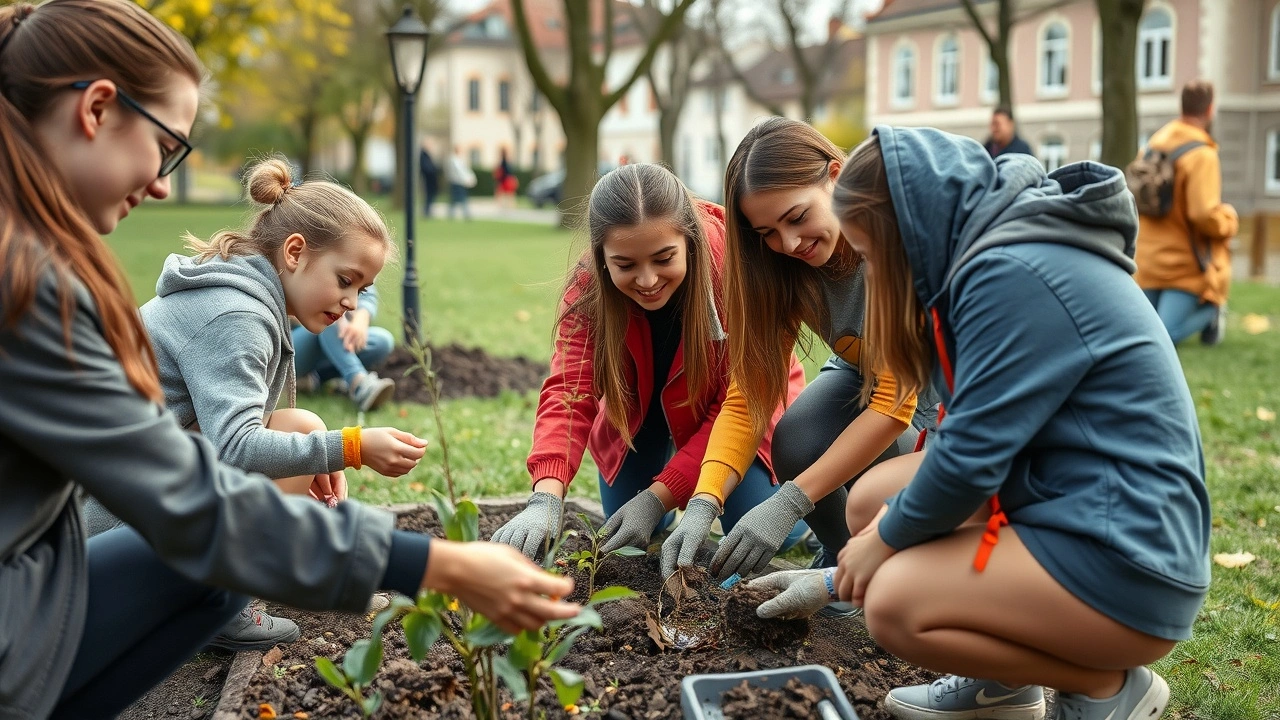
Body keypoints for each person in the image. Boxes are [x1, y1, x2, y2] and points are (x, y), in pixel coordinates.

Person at [0, 3, 579, 717]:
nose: (159, 185)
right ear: (96, 109)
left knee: (217, 562)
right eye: (170, 149)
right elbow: (194, 501)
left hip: (37, 564)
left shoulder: (31, 263)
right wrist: (435, 563)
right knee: (211, 561)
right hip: (22, 611)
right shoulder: (26, 291)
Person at [752, 127, 1208, 720]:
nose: (868, 270)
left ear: (907, 227)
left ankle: (1105, 688)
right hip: (1071, 495)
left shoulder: (1012, 274)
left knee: (892, 605)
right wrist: (868, 547)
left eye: (869, 253)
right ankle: (1001, 682)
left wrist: (850, 573)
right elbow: (964, 445)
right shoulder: (986, 258)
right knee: (870, 501)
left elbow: (972, 460)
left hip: (1130, 552)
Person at [659, 117, 930, 586]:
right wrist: (705, 500)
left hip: (943, 399)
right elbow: (749, 397)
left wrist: (789, 504)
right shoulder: (779, 268)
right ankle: (844, 563)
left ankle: (886, 558)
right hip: (859, 370)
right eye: (765, 232)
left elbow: (892, 407)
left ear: (836, 176)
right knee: (797, 441)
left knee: (873, 486)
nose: (787, 244)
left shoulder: (896, 242)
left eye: (797, 217)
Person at [492, 164, 809, 560]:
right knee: (628, 523)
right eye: (625, 265)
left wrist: (659, 497)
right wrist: (546, 499)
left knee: (751, 519)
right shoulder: (589, 287)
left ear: (689, 241)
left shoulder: (737, 275)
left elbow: (738, 406)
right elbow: (570, 391)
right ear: (601, 256)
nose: (646, 280)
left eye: (663, 259)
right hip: (638, 417)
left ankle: (800, 528)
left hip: (737, 413)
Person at [1134, 80, 1239, 346]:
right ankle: (1212, 311)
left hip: (1148, 258)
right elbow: (1203, 213)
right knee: (1161, 338)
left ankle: (1209, 315)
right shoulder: (1202, 155)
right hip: (1184, 264)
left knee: (1149, 336)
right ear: (1210, 109)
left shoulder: (1152, 146)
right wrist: (1228, 221)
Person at [293, 282, 398, 413]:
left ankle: (315, 379)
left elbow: (367, 289)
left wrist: (361, 318)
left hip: (329, 336)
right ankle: (359, 383)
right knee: (327, 318)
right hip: (289, 347)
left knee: (382, 341)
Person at [446, 144, 475, 220]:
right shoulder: (454, 160)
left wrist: (470, 177)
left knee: (454, 199)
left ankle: (451, 214)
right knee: (461, 198)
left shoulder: (458, 159)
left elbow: (465, 170)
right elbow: (460, 172)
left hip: (459, 182)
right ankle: (466, 214)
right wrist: (467, 180)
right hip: (457, 182)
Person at [419, 138, 439, 217]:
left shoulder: (426, 155)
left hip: (430, 180)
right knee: (428, 196)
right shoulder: (424, 155)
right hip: (428, 180)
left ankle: (428, 211)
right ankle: (426, 211)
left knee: (430, 196)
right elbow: (427, 168)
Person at [494, 146, 517, 211]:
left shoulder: (503, 162)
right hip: (507, 179)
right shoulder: (507, 161)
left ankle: (504, 206)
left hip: (505, 179)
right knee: (508, 194)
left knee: (504, 194)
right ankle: (508, 206)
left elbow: (502, 172)